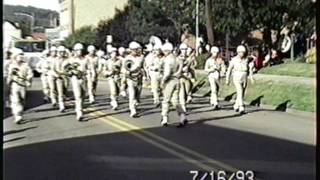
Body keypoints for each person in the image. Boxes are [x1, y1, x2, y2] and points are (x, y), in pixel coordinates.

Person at [160, 42, 187, 127]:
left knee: (166, 100)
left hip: (170, 80)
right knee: (175, 100)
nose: (164, 52)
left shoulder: (168, 59)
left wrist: (163, 81)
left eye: (164, 51)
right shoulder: (178, 59)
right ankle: (182, 117)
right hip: (177, 80)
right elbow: (180, 71)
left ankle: (165, 118)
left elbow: (167, 73)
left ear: (168, 50)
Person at [7, 48, 33, 124]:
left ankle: (20, 114)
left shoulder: (26, 65)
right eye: (19, 56)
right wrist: (9, 82)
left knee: (22, 100)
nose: (21, 57)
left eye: (22, 56)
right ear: (15, 56)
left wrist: (28, 80)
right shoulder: (12, 65)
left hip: (23, 84)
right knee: (15, 100)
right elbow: (10, 75)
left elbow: (30, 74)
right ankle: (17, 115)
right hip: (15, 84)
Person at [226, 45, 255, 114]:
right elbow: (229, 69)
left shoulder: (246, 59)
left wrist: (251, 77)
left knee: (242, 92)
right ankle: (241, 107)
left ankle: (236, 105)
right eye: (240, 52)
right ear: (238, 52)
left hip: (244, 76)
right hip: (237, 76)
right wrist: (227, 78)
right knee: (240, 91)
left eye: (243, 52)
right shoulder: (234, 60)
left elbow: (249, 68)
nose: (242, 54)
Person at [68, 43, 94, 121]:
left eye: (80, 50)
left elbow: (90, 68)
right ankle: (79, 113)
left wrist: (91, 76)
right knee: (78, 96)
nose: (79, 51)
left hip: (83, 78)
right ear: (75, 51)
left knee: (83, 96)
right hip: (75, 79)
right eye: (77, 50)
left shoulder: (86, 59)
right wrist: (72, 72)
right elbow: (67, 69)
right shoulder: (71, 60)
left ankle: (80, 108)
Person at [122, 41, 146, 117]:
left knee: (137, 96)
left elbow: (144, 67)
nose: (135, 51)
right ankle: (133, 111)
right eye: (133, 49)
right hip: (131, 78)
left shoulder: (141, 57)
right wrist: (126, 73)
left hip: (139, 78)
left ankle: (135, 104)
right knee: (131, 95)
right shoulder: (127, 58)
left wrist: (145, 75)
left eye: (136, 49)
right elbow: (124, 69)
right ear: (130, 50)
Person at [49, 45, 69, 112]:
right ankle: (59, 103)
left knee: (63, 91)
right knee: (54, 89)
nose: (62, 53)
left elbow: (69, 68)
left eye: (63, 52)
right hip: (56, 76)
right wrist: (56, 74)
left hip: (64, 77)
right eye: (60, 52)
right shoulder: (54, 60)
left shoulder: (67, 60)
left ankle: (62, 103)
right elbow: (52, 68)